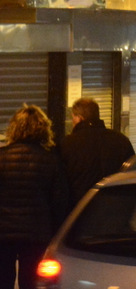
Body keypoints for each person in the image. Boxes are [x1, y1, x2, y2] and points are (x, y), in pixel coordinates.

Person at [0, 105, 68, 289]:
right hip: (36, 232)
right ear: (43, 129)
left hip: (3, 233)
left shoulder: (2, 157)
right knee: (30, 281)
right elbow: (59, 201)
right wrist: (56, 234)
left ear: (14, 128)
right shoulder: (51, 160)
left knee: (3, 278)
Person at [59, 97, 136, 206]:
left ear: (79, 118)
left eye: (73, 118)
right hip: (115, 209)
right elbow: (132, 174)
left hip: (81, 210)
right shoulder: (121, 140)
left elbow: (61, 184)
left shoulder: (67, 144)